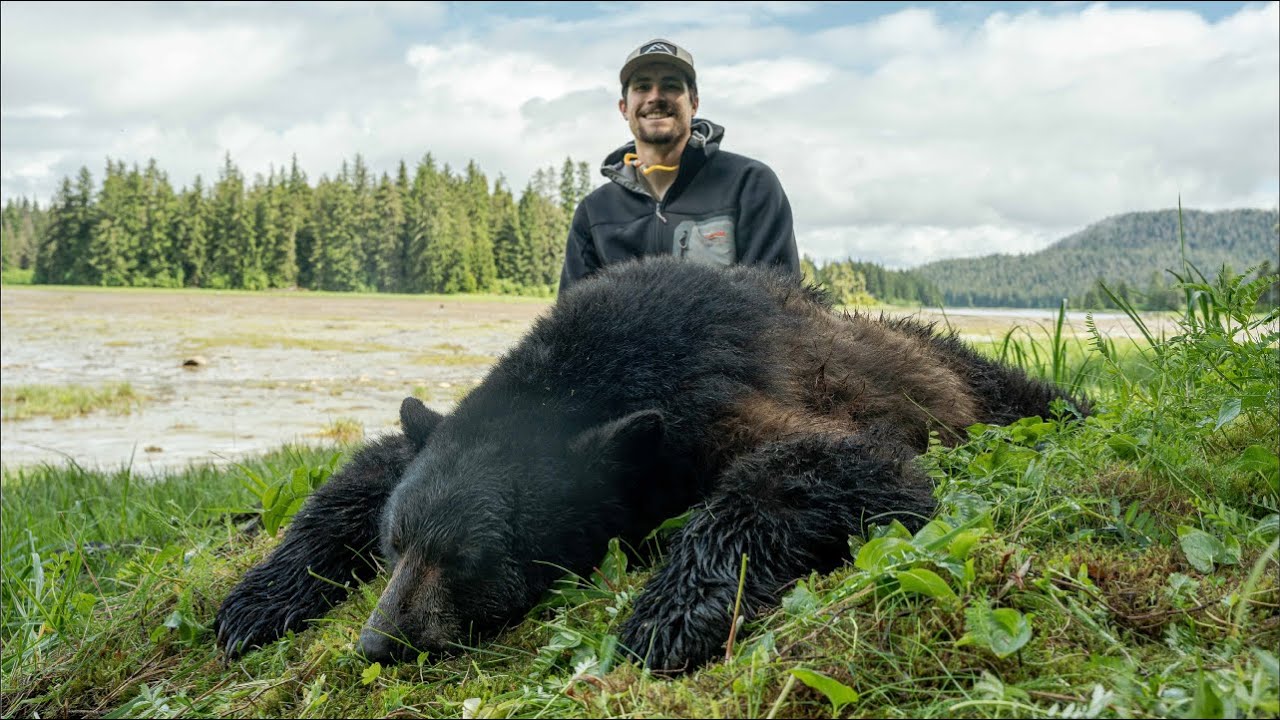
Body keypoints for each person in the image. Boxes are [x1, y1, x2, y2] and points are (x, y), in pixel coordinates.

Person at [558, 38, 800, 294]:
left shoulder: (750, 185)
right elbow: (571, 319)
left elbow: (780, 305)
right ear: (624, 108)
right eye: (642, 87)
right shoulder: (595, 211)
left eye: (671, 86)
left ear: (694, 103)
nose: (656, 97)